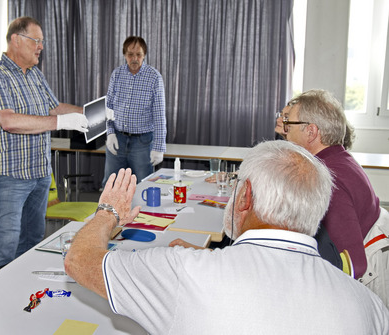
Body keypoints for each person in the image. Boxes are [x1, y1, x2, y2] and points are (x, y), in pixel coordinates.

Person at [65, 141, 389, 334]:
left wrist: (109, 212)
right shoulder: (370, 308)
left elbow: (79, 260)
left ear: (245, 195)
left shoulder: (186, 273)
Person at [0, 16, 88, 278]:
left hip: (40, 174)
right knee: (5, 246)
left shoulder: (35, 75)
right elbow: (8, 121)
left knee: (31, 241)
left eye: (42, 42)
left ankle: (16, 294)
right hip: (11, 177)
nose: (41, 46)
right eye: (36, 41)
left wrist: (90, 112)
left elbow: (54, 108)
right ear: (16, 40)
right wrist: (61, 121)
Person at [275, 89, 380, 279]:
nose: (285, 130)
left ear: (311, 132)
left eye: (289, 123)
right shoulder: (340, 159)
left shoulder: (329, 179)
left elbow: (353, 264)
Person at [103, 36, 166, 185]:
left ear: (144, 55)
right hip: (117, 138)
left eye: (138, 54)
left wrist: (159, 147)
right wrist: (110, 133)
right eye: (130, 54)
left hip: (142, 142)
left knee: (143, 185)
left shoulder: (154, 77)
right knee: (111, 184)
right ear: (125, 55)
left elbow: (159, 115)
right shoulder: (117, 75)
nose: (134, 58)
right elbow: (108, 107)